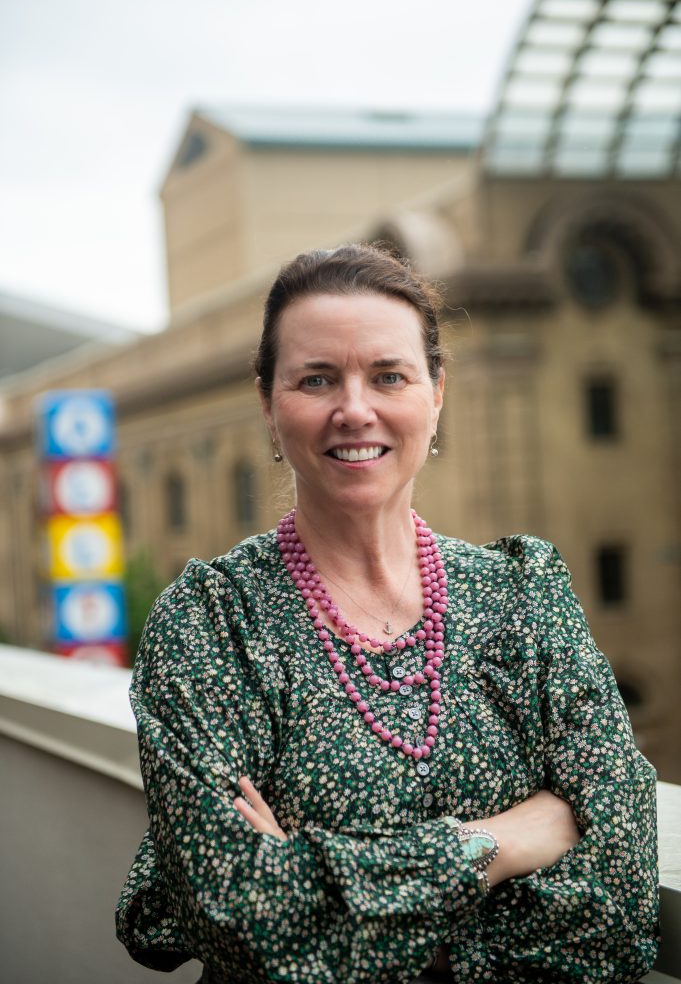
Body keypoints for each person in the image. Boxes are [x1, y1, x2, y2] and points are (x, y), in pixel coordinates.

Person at [116, 244, 659, 983]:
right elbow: (237, 917)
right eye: (316, 379)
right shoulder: (212, 622)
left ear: (436, 393)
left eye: (388, 375)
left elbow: (620, 896)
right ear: (269, 406)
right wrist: (492, 844)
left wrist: (320, 893)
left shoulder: (522, 593)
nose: (354, 409)